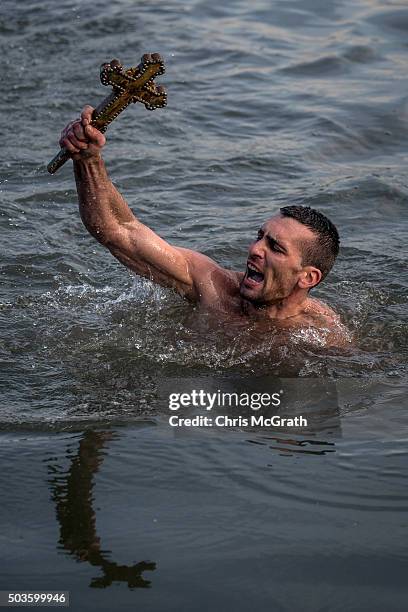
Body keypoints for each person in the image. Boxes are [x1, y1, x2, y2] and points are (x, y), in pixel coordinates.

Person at [60, 105, 350, 345]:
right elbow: (118, 230)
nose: (255, 249)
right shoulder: (213, 287)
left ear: (308, 278)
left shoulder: (322, 335)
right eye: (260, 237)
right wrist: (88, 161)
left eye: (275, 247)